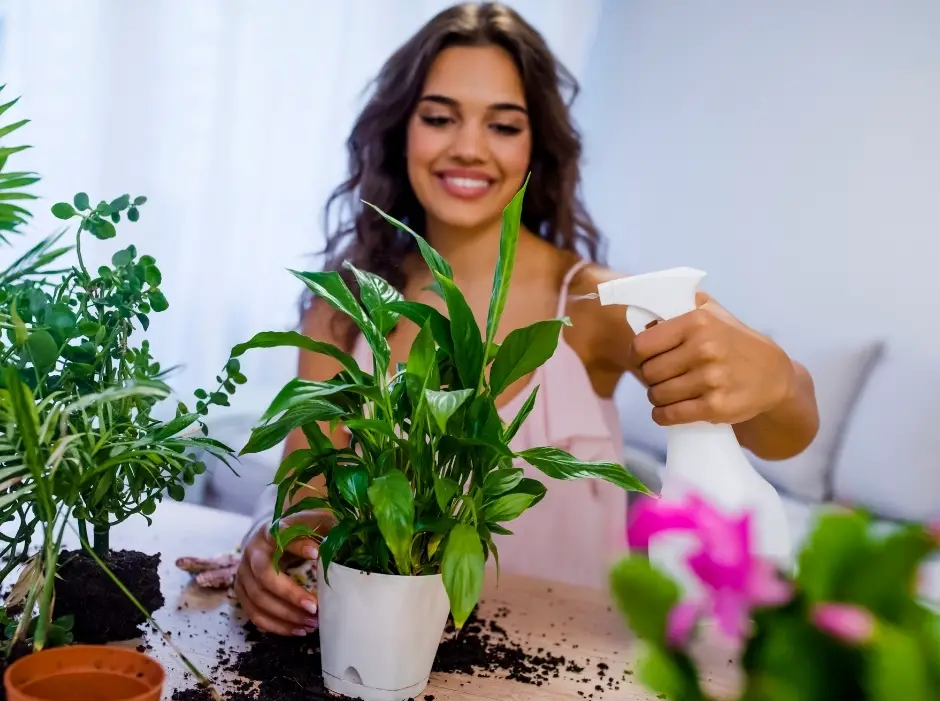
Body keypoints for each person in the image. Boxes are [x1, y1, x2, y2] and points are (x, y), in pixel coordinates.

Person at [232, 2, 820, 637]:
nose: (468, 148)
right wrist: (271, 545)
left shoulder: (596, 304)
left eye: (503, 125)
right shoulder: (342, 309)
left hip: (568, 693)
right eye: (439, 118)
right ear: (401, 130)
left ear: (537, 143)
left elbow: (781, 434)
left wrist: (780, 378)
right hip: (386, 672)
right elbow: (311, 501)